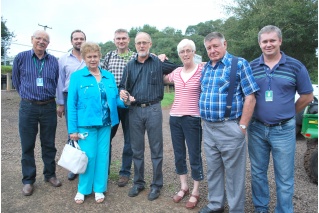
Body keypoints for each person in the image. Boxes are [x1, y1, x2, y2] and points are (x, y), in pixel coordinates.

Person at [248, 25, 314, 213]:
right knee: (258, 173)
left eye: (272, 40)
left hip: (284, 130)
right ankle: (261, 208)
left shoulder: (295, 66)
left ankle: (284, 210)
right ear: (259, 43)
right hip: (257, 128)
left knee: (284, 177)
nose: (268, 44)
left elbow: (307, 96)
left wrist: (289, 112)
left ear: (280, 41)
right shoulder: (251, 67)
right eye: (264, 41)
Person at [199, 32, 260, 213]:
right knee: (213, 169)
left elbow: (250, 96)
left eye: (216, 46)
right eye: (209, 48)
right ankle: (216, 204)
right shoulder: (206, 68)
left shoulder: (239, 64)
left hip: (229, 126)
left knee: (234, 174)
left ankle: (236, 209)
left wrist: (242, 126)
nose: (212, 50)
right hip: (208, 127)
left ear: (225, 44)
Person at [119, 32, 179, 201]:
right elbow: (123, 86)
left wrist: (164, 59)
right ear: (135, 45)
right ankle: (138, 183)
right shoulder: (129, 66)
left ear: (150, 44)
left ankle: (156, 185)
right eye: (139, 43)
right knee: (137, 149)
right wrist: (123, 93)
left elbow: (178, 67)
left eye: (145, 42)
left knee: (156, 150)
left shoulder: (158, 63)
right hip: (135, 110)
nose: (142, 46)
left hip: (153, 109)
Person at [67, 42, 128, 204]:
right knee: (88, 156)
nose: (93, 59)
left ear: (100, 57)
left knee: (103, 156)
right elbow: (71, 104)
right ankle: (83, 189)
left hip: (106, 124)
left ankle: (99, 188)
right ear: (84, 58)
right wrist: (72, 129)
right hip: (86, 124)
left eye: (95, 56)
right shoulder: (77, 76)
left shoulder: (108, 76)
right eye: (89, 57)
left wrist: (126, 101)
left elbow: (115, 99)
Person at [12, 30, 62, 196]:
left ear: (48, 43)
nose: (41, 42)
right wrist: (28, 96)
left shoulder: (54, 61)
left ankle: (50, 174)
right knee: (27, 145)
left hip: (48, 106)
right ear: (31, 39)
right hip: (28, 107)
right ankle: (28, 180)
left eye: (45, 40)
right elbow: (16, 81)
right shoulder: (21, 58)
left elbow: (57, 82)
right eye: (38, 38)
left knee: (48, 144)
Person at [163, 39, 204, 209]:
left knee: (194, 154)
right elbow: (163, 78)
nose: (185, 54)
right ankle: (184, 187)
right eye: (182, 52)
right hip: (175, 118)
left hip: (193, 118)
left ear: (194, 52)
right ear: (179, 54)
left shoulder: (202, 69)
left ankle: (195, 190)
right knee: (179, 153)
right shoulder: (177, 71)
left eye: (188, 51)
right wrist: (160, 60)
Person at [102, 29, 137, 187]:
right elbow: (100, 75)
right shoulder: (108, 56)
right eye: (118, 38)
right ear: (114, 40)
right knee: (106, 137)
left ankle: (124, 172)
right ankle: (104, 170)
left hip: (130, 103)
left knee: (129, 139)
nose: (121, 41)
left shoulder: (136, 56)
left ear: (128, 40)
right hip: (111, 102)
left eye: (124, 38)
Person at [56, 29, 86, 181]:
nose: (78, 41)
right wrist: (60, 103)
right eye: (76, 38)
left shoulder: (90, 58)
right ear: (71, 41)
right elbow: (60, 81)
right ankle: (74, 166)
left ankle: (86, 162)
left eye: (81, 38)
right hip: (69, 98)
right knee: (72, 131)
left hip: (86, 98)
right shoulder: (63, 59)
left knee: (87, 130)